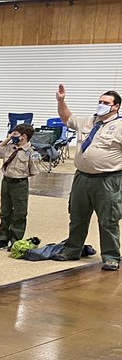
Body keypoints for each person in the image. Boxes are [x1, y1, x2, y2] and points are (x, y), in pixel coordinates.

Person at [55, 85, 122, 270]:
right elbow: (66, 118)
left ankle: (111, 257)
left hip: (108, 180)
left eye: (105, 103)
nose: (101, 105)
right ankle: (72, 250)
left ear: (116, 106)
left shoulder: (120, 126)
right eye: (99, 101)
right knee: (77, 216)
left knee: (108, 219)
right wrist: (61, 101)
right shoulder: (88, 121)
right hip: (82, 178)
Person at [0, 124, 41, 250]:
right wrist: (8, 139)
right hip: (6, 182)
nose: (12, 136)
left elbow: (34, 170)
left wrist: (21, 176)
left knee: (19, 213)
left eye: (15, 134)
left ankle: (15, 239)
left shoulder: (31, 152)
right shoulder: (9, 147)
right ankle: (2, 239)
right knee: (5, 212)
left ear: (23, 136)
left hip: (20, 183)